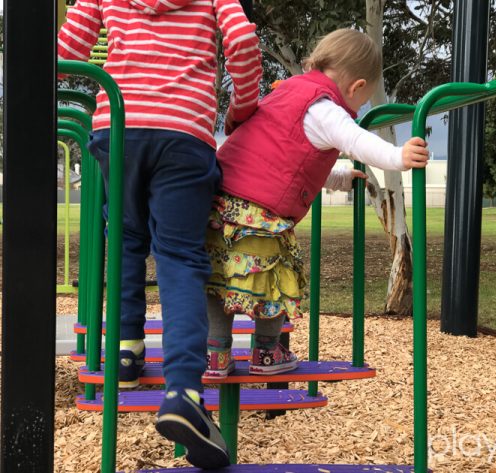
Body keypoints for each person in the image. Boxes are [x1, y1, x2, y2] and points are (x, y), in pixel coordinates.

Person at [58, 0, 262, 468]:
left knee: (126, 237)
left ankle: (126, 352)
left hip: (119, 127)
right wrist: (241, 108)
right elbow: (245, 45)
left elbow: (67, 49)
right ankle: (184, 391)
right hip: (184, 131)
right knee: (180, 258)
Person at [203, 28, 429, 380]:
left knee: (220, 280)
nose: (357, 109)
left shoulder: (287, 92)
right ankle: (266, 351)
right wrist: (398, 156)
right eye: (362, 101)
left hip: (219, 204)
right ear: (356, 87)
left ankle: (214, 353)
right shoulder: (325, 108)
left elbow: (288, 159)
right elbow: (356, 141)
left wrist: (337, 177)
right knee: (274, 277)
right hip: (259, 213)